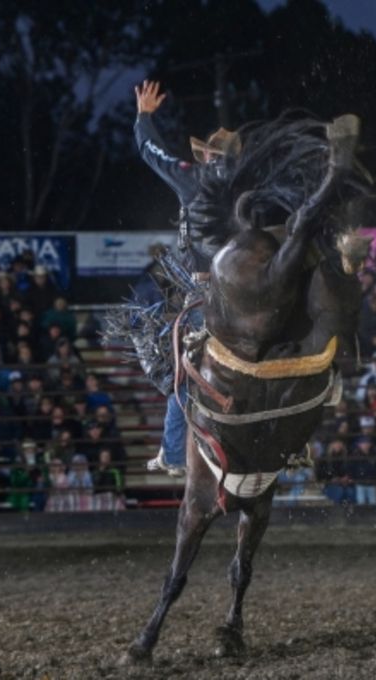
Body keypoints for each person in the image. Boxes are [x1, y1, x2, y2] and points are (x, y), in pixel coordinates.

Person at [133, 79, 240, 477]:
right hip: (239, 289)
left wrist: (144, 117)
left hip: (203, 291)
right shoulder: (246, 187)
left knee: (184, 372)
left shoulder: (193, 178)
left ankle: (173, 454)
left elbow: (151, 153)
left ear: (208, 155)